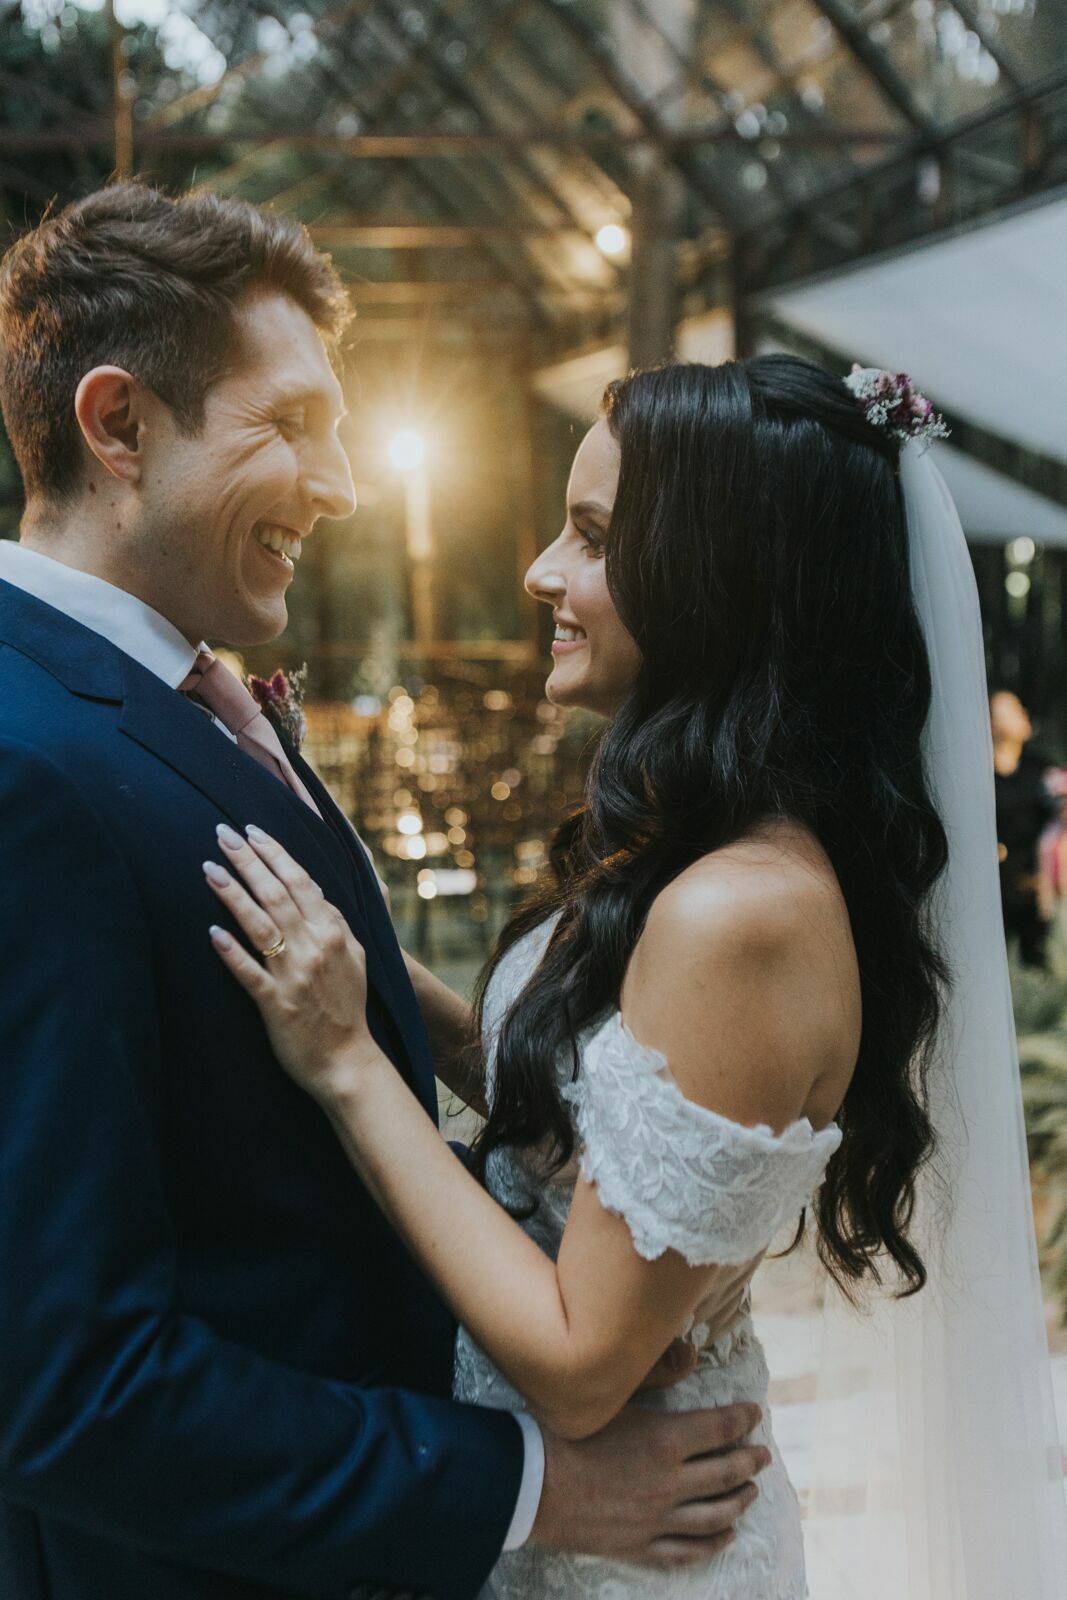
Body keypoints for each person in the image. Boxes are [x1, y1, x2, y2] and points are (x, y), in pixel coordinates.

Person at [0, 184, 768, 1600]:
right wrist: (538, 1487)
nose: (343, 485)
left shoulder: (180, 693)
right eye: (292, 425)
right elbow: (71, 1382)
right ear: (117, 427)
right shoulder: (23, 767)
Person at [200, 357, 1013, 1598]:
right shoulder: (707, 851)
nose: (540, 574)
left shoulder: (741, 911)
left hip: (630, 1550)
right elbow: (577, 1122)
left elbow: (582, 1359)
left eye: (589, 538)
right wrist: (356, 955)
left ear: (718, 581)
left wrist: (349, 1063)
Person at [991, 689, 1056, 965]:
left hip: (1037, 885)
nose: (1023, 712)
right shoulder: (979, 774)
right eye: (1013, 707)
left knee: (1041, 963)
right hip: (995, 887)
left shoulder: (1040, 768)